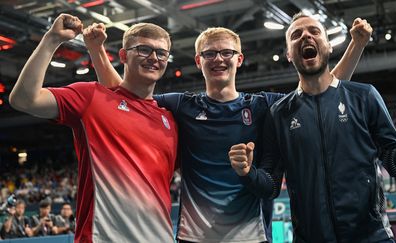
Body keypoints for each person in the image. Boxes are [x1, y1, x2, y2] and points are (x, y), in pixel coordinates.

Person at [84, 17, 371, 242]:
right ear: (198, 61)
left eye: (226, 53)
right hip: (193, 237)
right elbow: (124, 95)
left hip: (252, 236)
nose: (218, 59)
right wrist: (97, 50)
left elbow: (321, 89)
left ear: (239, 59)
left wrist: (356, 45)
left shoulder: (262, 107)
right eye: (209, 54)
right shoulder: (182, 105)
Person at [229, 12, 396, 242]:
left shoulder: (364, 96)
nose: (306, 37)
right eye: (296, 35)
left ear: (329, 46)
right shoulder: (279, 114)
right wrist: (247, 173)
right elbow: (271, 186)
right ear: (289, 55)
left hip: (371, 237)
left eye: (314, 31)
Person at [9, 14, 178, 242]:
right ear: (123, 56)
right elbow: (24, 99)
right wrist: (51, 40)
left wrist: (96, 51)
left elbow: (129, 103)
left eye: (161, 52)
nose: (154, 58)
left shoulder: (169, 120)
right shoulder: (91, 98)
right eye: (144, 50)